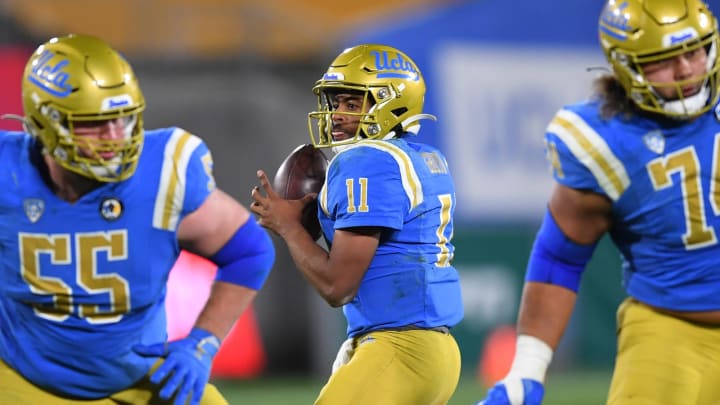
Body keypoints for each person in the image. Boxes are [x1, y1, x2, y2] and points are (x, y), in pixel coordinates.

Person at [0, 34, 275, 405]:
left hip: (136, 376)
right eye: (94, 123)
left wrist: (202, 342)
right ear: (46, 122)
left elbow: (250, 251)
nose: (114, 138)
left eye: (124, 120)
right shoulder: (9, 174)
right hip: (25, 380)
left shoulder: (163, 174)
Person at [477, 0, 720, 404]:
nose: (685, 71)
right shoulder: (605, 139)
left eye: (693, 51)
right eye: (663, 60)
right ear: (625, 66)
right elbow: (560, 257)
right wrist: (526, 370)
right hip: (674, 330)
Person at [250, 44, 464, 404]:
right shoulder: (425, 157)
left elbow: (338, 286)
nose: (336, 115)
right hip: (432, 350)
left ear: (391, 103)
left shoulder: (366, 161)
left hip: (401, 347)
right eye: (335, 104)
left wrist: (290, 228)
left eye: (353, 104)